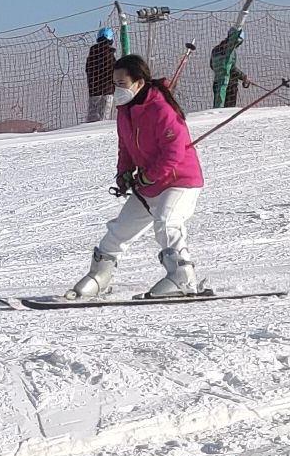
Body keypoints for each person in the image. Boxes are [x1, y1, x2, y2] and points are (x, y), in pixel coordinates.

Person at [65, 54, 204, 300]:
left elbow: (174, 151)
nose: (117, 89)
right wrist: (124, 173)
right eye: (115, 83)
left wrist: (150, 176)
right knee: (121, 228)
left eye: (122, 83)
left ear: (138, 83)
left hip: (178, 180)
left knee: (167, 221)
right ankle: (101, 275)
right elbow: (126, 147)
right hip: (149, 184)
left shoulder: (161, 109)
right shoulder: (125, 111)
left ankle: (183, 277)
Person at [209, 29, 252, 108]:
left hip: (217, 83)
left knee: (217, 108)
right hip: (229, 85)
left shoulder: (215, 49)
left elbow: (212, 65)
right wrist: (243, 76)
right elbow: (230, 68)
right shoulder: (230, 51)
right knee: (227, 110)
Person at [85, 30, 116, 122]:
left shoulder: (92, 54)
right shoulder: (109, 54)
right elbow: (112, 70)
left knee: (92, 117)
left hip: (94, 91)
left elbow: (88, 70)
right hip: (107, 90)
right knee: (103, 118)